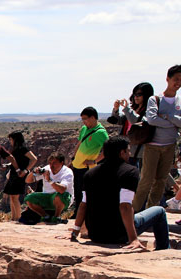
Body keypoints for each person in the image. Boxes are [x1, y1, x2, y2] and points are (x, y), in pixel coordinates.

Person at [72, 136, 169, 250]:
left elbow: (83, 205)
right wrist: (133, 239)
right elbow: (125, 206)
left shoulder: (90, 173)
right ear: (122, 153)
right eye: (128, 150)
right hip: (119, 235)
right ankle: (163, 250)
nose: (130, 153)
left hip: (95, 234)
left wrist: (75, 232)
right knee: (160, 211)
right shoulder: (130, 172)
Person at [134, 64, 181, 211]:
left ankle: (150, 213)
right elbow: (152, 119)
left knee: (160, 181)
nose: (178, 83)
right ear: (167, 79)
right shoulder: (155, 100)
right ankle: (133, 213)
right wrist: (173, 122)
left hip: (170, 146)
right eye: (176, 79)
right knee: (146, 181)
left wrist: (166, 117)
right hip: (153, 145)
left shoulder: (179, 101)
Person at [69, 107, 109, 217]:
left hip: (88, 168)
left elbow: (107, 150)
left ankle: (86, 214)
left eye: (85, 119)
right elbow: (79, 143)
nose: (83, 121)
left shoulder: (101, 132)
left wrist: (94, 161)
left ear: (92, 118)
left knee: (86, 192)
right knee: (77, 191)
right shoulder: (84, 129)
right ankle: (77, 213)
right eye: (82, 119)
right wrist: (73, 158)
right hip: (77, 166)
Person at [108, 82, 155, 166]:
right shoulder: (134, 109)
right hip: (127, 149)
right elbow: (118, 121)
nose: (135, 97)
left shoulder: (149, 111)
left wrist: (127, 109)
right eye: (134, 94)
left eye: (139, 94)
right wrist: (116, 109)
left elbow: (137, 121)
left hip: (138, 151)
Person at [24, 153, 74, 222]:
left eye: (54, 163)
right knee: (29, 198)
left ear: (61, 163)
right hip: (47, 197)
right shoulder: (47, 169)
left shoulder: (67, 172)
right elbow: (28, 180)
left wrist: (49, 180)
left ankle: (56, 217)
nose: (51, 166)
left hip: (63, 199)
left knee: (60, 195)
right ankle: (46, 216)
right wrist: (34, 172)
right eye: (50, 163)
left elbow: (62, 190)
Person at [3, 131, 37, 220]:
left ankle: (17, 218)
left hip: (20, 175)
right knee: (12, 196)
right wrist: (8, 165)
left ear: (16, 139)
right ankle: (13, 218)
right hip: (13, 174)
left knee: (15, 196)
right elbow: (16, 161)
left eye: (11, 139)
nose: (10, 141)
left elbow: (34, 159)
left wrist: (25, 171)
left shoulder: (24, 149)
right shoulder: (16, 150)